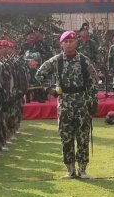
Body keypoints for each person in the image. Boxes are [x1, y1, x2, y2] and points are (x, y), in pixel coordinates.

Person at [35, 31, 98, 179]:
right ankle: (70, 169)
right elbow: (39, 75)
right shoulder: (56, 61)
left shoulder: (84, 60)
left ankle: (82, 170)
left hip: (82, 104)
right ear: (61, 44)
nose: (69, 44)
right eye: (66, 41)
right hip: (64, 104)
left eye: (71, 41)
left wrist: (92, 99)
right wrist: (50, 89)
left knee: (82, 137)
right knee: (66, 137)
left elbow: (93, 80)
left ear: (76, 43)